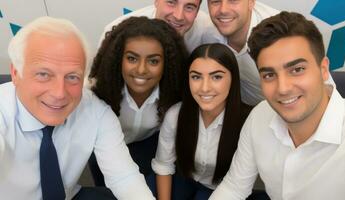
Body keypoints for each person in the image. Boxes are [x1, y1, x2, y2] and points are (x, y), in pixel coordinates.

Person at [0, 16, 154, 200]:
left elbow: (124, 178)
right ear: (16, 73)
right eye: (43, 74)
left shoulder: (95, 110)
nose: (59, 93)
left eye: (72, 77)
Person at [209, 11, 345, 200]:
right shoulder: (260, 116)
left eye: (297, 70)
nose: (283, 88)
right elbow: (234, 188)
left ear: (324, 69)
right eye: (269, 75)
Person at [88, 16, 187, 180]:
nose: (141, 70)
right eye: (132, 58)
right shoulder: (97, 90)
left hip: (148, 147)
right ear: (119, 59)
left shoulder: (174, 91)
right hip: (104, 149)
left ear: (167, 64)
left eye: (153, 61)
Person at [151, 43, 245, 200]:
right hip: (183, 179)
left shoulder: (247, 121)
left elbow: (238, 185)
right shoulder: (176, 114)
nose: (205, 88)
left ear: (233, 78)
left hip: (222, 189)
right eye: (196, 77)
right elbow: (164, 165)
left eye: (217, 77)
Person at [206, 0, 279, 106]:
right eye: (215, 1)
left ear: (251, 2)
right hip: (243, 107)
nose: (223, 10)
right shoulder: (207, 32)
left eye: (233, 1)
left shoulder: (280, 36)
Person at [100, 0, 221, 52]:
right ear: (156, 1)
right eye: (171, 2)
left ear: (197, 11)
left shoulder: (208, 31)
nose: (178, 16)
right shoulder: (116, 32)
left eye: (189, 7)